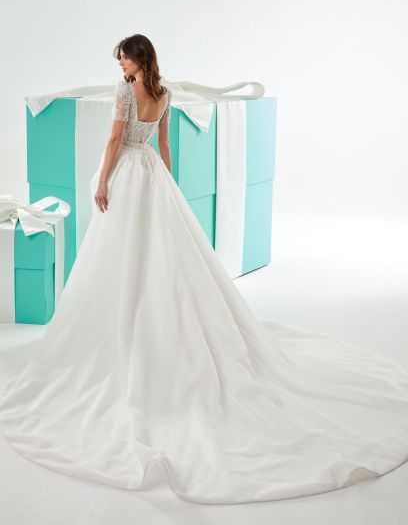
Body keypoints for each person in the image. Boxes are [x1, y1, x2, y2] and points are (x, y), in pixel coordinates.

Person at [0, 33, 408, 505]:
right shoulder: (165, 93)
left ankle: (125, 326)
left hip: (128, 173)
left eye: (124, 58)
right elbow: (164, 145)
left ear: (139, 59)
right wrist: (166, 186)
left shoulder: (125, 92)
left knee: (123, 252)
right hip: (152, 174)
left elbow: (114, 139)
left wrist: (104, 181)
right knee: (157, 252)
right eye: (119, 61)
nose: (120, 66)